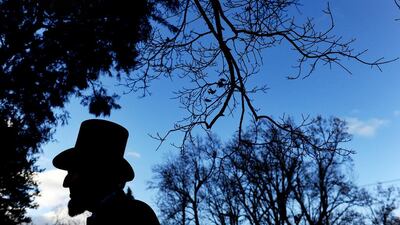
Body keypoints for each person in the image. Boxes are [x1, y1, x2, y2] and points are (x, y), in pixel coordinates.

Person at [53, 119, 160, 225]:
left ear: (97, 173)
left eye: (73, 173)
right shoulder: (105, 216)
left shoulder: (137, 215)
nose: (65, 183)